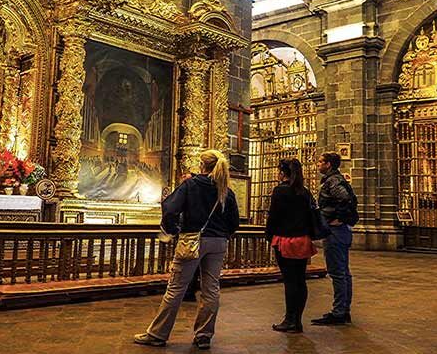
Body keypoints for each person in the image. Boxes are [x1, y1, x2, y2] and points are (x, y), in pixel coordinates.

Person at [134, 150, 240, 350]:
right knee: (211, 289)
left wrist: (174, 230)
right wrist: (222, 234)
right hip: (218, 242)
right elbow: (234, 221)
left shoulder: (191, 185)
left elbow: (170, 208)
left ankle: (157, 334)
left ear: (202, 166)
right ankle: (204, 335)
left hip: (192, 240)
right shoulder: (226, 189)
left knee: (176, 288)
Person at [265, 158, 316, 333]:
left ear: (282, 173)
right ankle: (298, 321)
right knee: (300, 280)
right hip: (302, 240)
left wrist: (268, 236)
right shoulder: (305, 192)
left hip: (285, 240)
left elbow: (273, 217)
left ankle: (289, 320)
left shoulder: (280, 191)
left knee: (290, 281)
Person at [311, 152, 357, 326]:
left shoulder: (333, 181)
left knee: (338, 273)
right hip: (340, 230)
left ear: (328, 164)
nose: (318, 164)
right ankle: (343, 310)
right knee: (343, 272)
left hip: (335, 231)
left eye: (321, 161)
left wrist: (339, 218)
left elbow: (347, 199)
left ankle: (339, 312)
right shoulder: (334, 180)